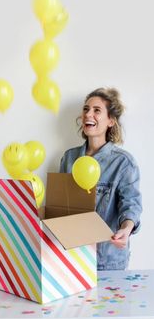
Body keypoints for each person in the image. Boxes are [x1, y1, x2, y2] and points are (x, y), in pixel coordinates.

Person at [59, 87, 142, 270]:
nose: (89, 114)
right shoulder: (68, 158)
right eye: (86, 109)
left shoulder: (124, 163)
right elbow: (60, 207)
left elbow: (131, 205)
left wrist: (126, 229)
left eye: (97, 110)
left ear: (111, 121)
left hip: (108, 261)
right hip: (73, 258)